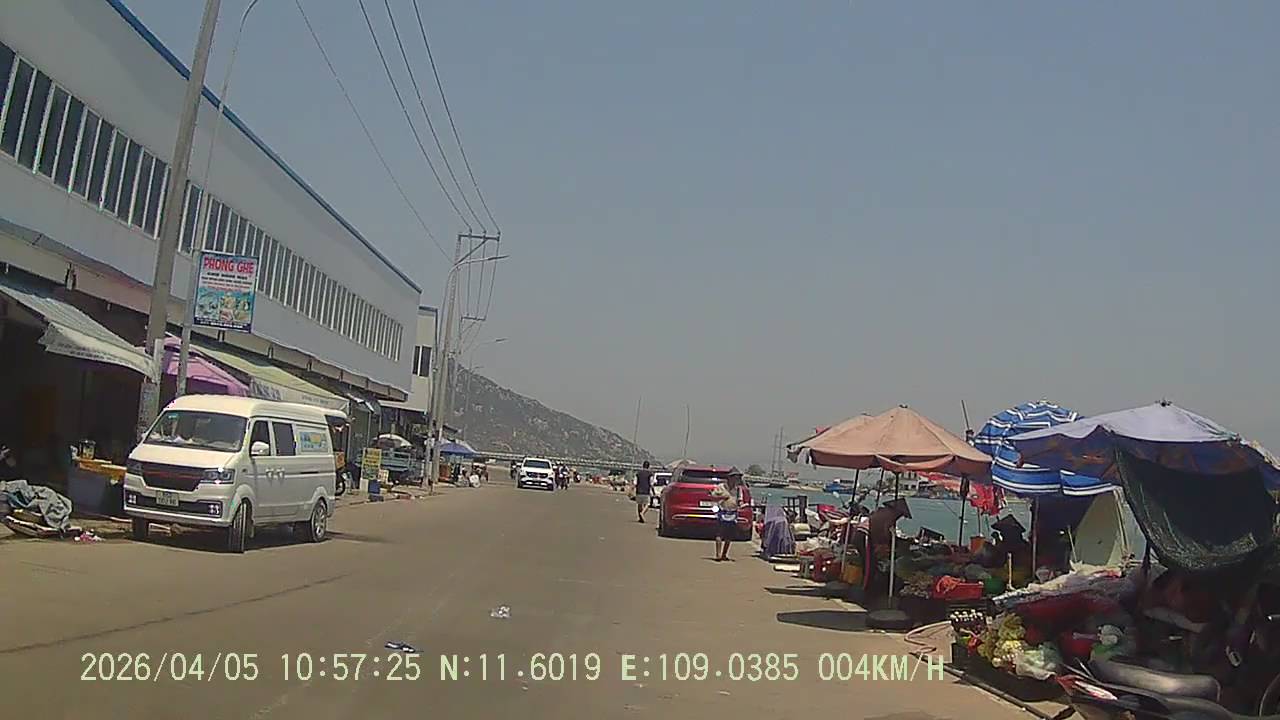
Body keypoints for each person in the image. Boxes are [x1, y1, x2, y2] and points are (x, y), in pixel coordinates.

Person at [709, 472, 745, 561]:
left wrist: (741, 504)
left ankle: (724, 554)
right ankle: (718, 554)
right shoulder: (721, 487)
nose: (736, 480)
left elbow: (740, 500)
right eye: (735, 478)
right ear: (729, 478)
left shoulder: (738, 489)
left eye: (737, 478)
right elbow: (712, 496)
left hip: (733, 513)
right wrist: (722, 497)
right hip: (722, 512)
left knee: (729, 536)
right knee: (719, 534)